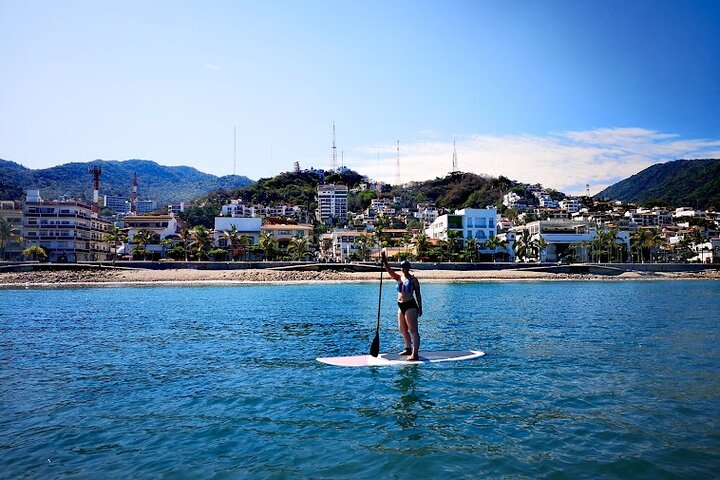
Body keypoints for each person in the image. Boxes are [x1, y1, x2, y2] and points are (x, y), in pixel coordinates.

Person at [381, 250, 422, 361]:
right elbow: (389, 270)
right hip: (400, 306)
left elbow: (418, 294)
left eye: (405, 267)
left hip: (410, 305)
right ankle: (408, 348)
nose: (404, 269)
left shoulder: (413, 280)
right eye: (402, 267)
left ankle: (415, 354)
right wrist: (384, 259)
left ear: (408, 268)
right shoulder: (399, 278)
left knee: (413, 330)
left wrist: (420, 308)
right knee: (402, 329)